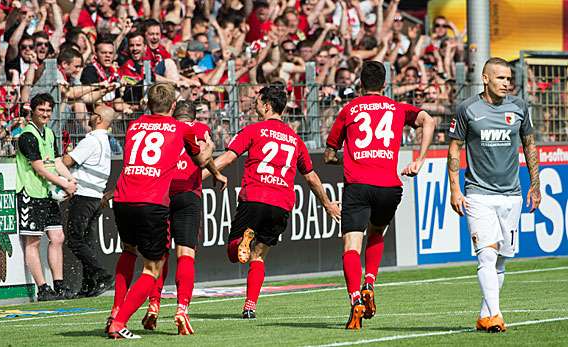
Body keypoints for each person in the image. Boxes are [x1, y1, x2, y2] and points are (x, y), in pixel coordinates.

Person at [207, 86, 341, 319]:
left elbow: (227, 158)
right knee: (258, 256)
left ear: (267, 105)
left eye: (258, 102)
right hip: (281, 203)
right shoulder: (295, 140)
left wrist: (197, 177)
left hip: (255, 197)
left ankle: (242, 241)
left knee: (233, 251)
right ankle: (250, 306)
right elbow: (311, 177)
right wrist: (328, 204)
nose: (255, 105)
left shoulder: (253, 130)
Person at [105, 83, 225, 339]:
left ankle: (115, 311)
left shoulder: (134, 126)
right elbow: (201, 160)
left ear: (147, 104)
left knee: (128, 252)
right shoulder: (182, 127)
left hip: (123, 197)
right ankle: (121, 323)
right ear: (172, 106)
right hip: (153, 201)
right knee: (153, 268)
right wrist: (210, 147)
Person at [324, 60, 436, 329]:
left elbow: (329, 155)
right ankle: (370, 283)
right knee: (377, 233)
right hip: (389, 186)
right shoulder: (396, 108)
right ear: (385, 85)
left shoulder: (349, 110)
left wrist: (347, 158)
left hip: (358, 185)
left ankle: (355, 300)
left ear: (360, 83)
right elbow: (428, 120)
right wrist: (419, 159)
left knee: (351, 246)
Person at [447, 57, 540, 333]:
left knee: (501, 259)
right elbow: (454, 150)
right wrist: (454, 189)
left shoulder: (519, 107)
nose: (507, 83)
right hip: (478, 194)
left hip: (511, 195)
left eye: (509, 78)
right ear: (485, 79)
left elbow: (530, 146)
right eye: (500, 78)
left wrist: (535, 184)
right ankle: (497, 316)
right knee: (486, 256)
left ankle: (485, 315)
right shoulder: (467, 109)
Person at [141, 100, 224, 335]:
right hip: (188, 194)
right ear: (194, 116)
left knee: (158, 255)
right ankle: (181, 309)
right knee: (186, 253)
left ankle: (154, 305)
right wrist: (217, 174)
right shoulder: (198, 129)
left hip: (162, 194)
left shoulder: (163, 127)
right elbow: (204, 157)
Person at [15, 93, 78, 301]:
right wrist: (63, 183)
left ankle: (58, 285)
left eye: (48, 110)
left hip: (48, 193)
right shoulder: (27, 136)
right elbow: (39, 168)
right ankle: (43, 289)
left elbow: (57, 161)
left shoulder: (49, 133)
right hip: (31, 192)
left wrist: (71, 180)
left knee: (57, 237)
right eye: (41, 110)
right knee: (32, 242)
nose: (45, 114)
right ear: (32, 111)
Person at [62, 105, 116, 298]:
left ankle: (102, 274)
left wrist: (57, 158)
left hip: (84, 195)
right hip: (95, 196)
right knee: (86, 241)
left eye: (93, 113)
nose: (89, 116)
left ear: (99, 118)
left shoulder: (92, 140)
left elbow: (68, 161)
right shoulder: (105, 141)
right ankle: (88, 284)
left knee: (75, 240)